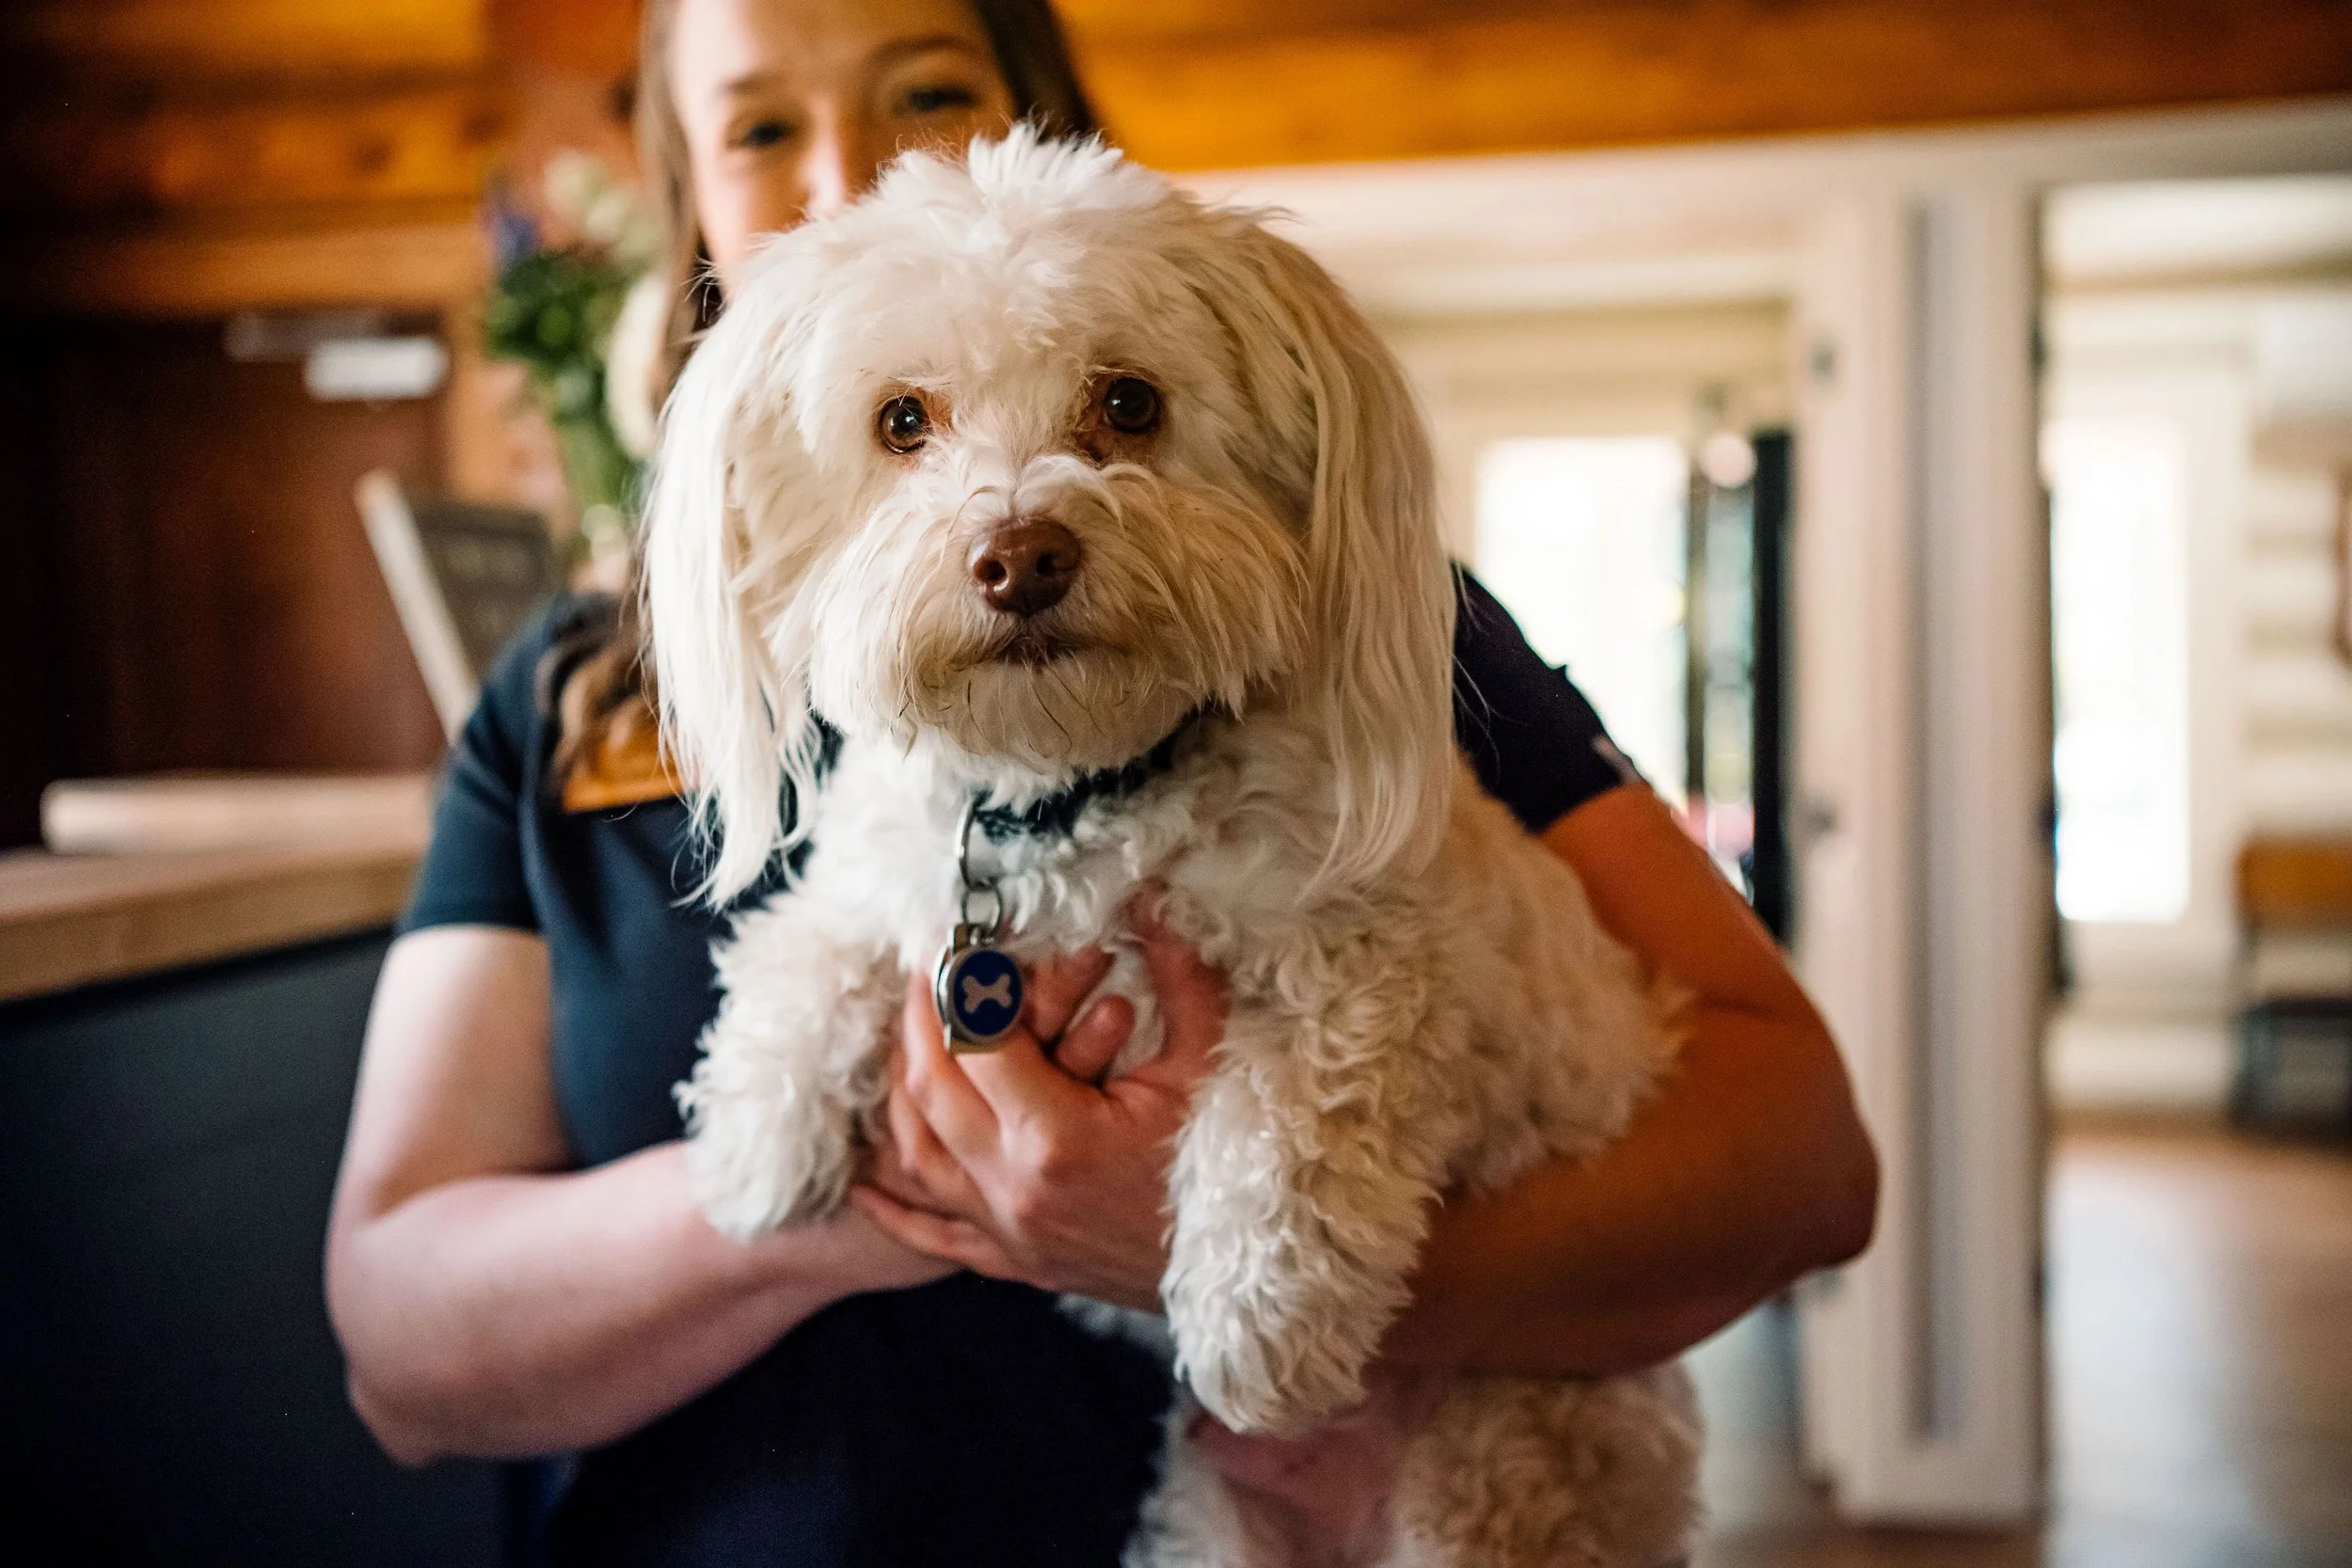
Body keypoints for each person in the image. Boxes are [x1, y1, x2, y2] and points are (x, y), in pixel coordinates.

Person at [325, 1, 1879, 1561]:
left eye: (925, 91)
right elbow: (400, 1357)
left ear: (1038, 114)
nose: (852, 166)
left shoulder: (1357, 609)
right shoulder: (560, 701)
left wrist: (1220, 1251)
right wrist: (879, 1201)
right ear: (693, 205)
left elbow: (1807, 1168)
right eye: (760, 126)